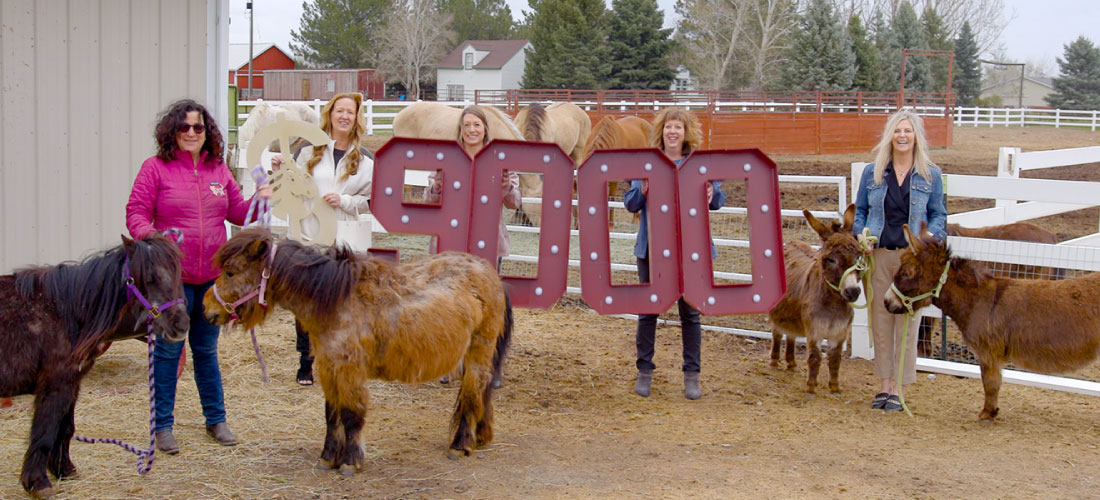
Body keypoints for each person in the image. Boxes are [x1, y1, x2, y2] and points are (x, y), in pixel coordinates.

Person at [126, 99, 271, 454]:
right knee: (167, 351)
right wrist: (155, 239)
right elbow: (136, 214)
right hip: (171, 281)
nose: (192, 133)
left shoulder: (218, 171)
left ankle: (216, 420)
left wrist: (262, 195)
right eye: (185, 127)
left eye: (198, 127)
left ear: (208, 133)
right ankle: (163, 427)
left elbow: (239, 212)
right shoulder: (154, 168)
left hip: (211, 282)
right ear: (172, 131)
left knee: (206, 350)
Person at [272, 92, 374, 387]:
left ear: (356, 119)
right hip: (310, 235)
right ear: (330, 115)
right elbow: (292, 187)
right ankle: (307, 360)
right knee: (306, 299)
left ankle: (340, 356)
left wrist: (343, 200)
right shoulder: (309, 152)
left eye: (350, 112)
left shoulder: (364, 159)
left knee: (342, 301)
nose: (344, 116)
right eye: (339, 111)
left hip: (344, 241)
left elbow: (370, 200)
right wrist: (281, 168)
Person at [624, 107, 726, 400]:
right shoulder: (647, 164)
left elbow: (717, 199)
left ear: (686, 133)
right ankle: (645, 371)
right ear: (662, 131)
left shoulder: (699, 164)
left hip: (691, 250)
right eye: (668, 127)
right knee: (648, 311)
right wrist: (641, 190)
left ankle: (691, 375)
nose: (672, 132)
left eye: (678, 128)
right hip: (652, 250)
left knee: (690, 313)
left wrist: (711, 195)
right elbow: (630, 204)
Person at [853, 109, 947, 412]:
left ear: (916, 136)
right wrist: (861, 234)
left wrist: (929, 239)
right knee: (880, 322)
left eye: (907, 131)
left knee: (907, 322)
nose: (902, 136)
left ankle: (899, 387)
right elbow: (862, 211)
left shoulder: (931, 174)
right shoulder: (873, 173)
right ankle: (883, 386)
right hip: (880, 255)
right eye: (897, 131)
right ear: (889, 136)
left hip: (911, 262)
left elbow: (939, 215)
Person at [424, 105, 520, 388]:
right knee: (448, 305)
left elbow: (514, 203)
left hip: (489, 243)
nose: (471, 130)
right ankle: (451, 362)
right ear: (461, 129)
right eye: (467, 125)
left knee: (491, 306)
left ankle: (491, 365)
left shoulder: (500, 160)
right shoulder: (447, 159)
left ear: (485, 129)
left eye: (476, 125)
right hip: (451, 244)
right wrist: (437, 187)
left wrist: (505, 186)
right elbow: (429, 201)